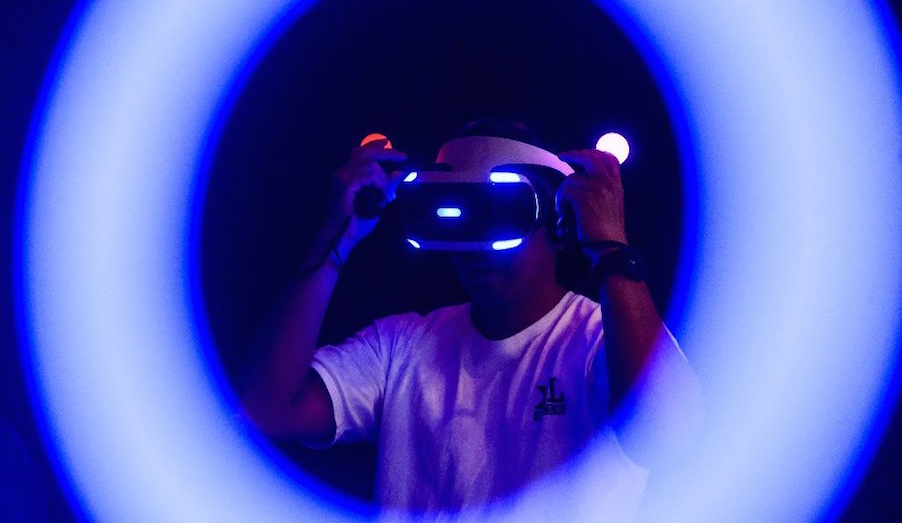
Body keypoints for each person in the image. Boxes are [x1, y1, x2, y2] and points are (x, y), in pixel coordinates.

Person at [240, 120, 701, 517]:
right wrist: (335, 238)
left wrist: (611, 250)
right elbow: (265, 409)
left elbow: (671, 437)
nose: (478, 247)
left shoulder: (604, 337)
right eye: (460, 215)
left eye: (502, 213)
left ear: (560, 222)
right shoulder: (402, 346)